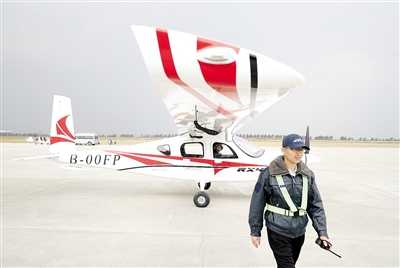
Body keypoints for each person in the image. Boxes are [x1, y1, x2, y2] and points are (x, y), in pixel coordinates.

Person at [248, 134, 331, 268]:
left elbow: (315, 205)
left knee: (287, 265)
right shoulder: (268, 174)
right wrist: (255, 231)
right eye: (294, 149)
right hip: (277, 229)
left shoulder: (308, 175)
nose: (298, 153)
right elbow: (257, 203)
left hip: (299, 231)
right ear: (283, 150)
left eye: (301, 150)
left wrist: (322, 233)